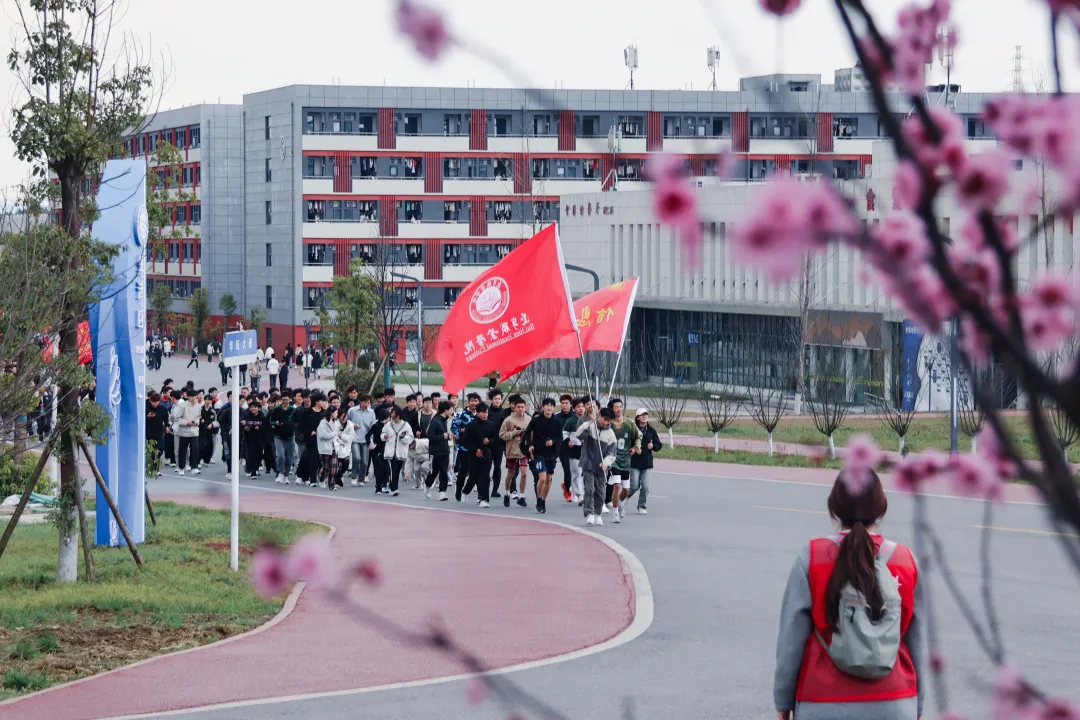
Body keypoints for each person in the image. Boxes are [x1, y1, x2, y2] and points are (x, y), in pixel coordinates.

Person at [773, 471, 924, 720]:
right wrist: (917, 705)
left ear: (833, 507)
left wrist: (783, 699)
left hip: (822, 701)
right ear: (881, 508)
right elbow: (917, 640)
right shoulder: (906, 561)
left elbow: (791, 637)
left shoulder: (811, 557)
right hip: (895, 701)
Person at [573, 407, 617, 526]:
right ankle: (589, 513)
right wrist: (589, 425)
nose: (606, 422)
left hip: (601, 467)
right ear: (599, 415)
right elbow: (579, 436)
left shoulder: (611, 434)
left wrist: (606, 463)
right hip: (588, 463)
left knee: (600, 491)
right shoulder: (589, 425)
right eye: (604, 419)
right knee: (589, 489)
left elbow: (612, 453)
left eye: (609, 421)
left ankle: (598, 514)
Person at [521, 397, 562, 514]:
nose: (549, 408)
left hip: (551, 454)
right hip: (539, 453)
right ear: (543, 407)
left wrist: (553, 442)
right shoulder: (536, 420)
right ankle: (539, 499)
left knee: (548, 479)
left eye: (551, 406)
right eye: (546, 405)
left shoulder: (557, 422)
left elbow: (560, 438)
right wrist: (530, 445)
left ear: (554, 408)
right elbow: (527, 433)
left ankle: (543, 500)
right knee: (542, 478)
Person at [606, 397, 641, 522]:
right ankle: (615, 512)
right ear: (612, 409)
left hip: (626, 459)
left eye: (620, 406)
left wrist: (635, 447)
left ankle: (619, 503)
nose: (619, 409)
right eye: (616, 407)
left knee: (626, 489)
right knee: (616, 486)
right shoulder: (608, 423)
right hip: (613, 459)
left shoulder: (629, 423)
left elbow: (638, 437)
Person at [460, 401, 497, 508]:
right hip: (473, 455)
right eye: (482, 412)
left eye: (486, 412)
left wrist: (489, 441)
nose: (485, 414)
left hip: (487, 454)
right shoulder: (471, 425)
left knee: (485, 477)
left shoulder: (491, 425)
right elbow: (464, 441)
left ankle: (484, 499)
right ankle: (466, 491)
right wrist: (474, 449)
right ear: (477, 412)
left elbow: (495, 438)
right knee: (474, 476)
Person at [497, 394, 531, 508]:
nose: (520, 409)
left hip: (524, 451)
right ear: (514, 407)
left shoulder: (528, 419)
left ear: (525, 407)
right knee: (511, 474)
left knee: (524, 474)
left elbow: (532, 434)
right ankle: (507, 493)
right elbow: (501, 435)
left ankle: (521, 496)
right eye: (518, 407)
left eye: (522, 407)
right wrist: (513, 433)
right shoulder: (508, 420)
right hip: (512, 450)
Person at [628, 408, 662, 515]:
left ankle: (641, 505)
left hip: (647, 463)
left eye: (646, 414)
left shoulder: (651, 431)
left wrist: (653, 447)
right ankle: (623, 498)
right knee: (634, 486)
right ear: (637, 417)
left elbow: (659, 445)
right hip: (634, 462)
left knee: (645, 486)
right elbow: (627, 443)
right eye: (642, 415)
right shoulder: (633, 430)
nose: (644, 416)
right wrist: (634, 449)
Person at [380, 405, 413, 496]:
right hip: (390, 452)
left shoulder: (406, 425)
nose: (392, 415)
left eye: (394, 413)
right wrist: (384, 437)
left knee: (397, 471)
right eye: (392, 413)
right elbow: (382, 434)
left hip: (401, 452)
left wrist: (403, 437)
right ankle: (394, 489)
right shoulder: (388, 425)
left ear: (399, 415)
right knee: (393, 470)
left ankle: (392, 487)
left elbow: (410, 438)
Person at [425, 400, 454, 501]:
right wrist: (443, 436)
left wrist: (448, 436)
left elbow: (445, 434)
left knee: (444, 472)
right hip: (435, 452)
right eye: (450, 409)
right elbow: (430, 436)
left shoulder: (445, 420)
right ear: (445, 410)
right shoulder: (435, 421)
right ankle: (427, 485)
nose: (452, 411)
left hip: (445, 450)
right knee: (434, 472)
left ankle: (442, 492)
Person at [563, 396, 589, 504]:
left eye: (583, 406)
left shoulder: (589, 420)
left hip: (587, 450)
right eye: (578, 407)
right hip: (574, 450)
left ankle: (573, 489)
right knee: (577, 472)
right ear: (574, 408)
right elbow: (565, 433)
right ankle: (581, 495)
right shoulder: (570, 421)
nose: (581, 409)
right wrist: (568, 441)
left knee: (584, 473)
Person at [348, 394, 375, 486]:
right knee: (357, 458)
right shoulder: (352, 410)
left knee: (364, 461)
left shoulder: (371, 412)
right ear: (361, 401)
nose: (367, 404)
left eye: (368, 402)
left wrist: (372, 427)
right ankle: (354, 476)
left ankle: (361, 478)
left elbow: (373, 424)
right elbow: (346, 421)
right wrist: (352, 425)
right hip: (355, 438)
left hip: (365, 439)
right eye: (365, 402)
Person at [173, 390, 202, 475]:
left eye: (196, 397)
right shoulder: (183, 406)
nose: (195, 398)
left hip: (194, 431)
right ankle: (181, 468)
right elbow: (177, 419)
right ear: (188, 397)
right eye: (193, 397)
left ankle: (194, 467)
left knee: (195, 449)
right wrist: (187, 423)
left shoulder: (198, 406)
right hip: (184, 432)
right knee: (183, 450)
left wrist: (197, 422)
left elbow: (199, 417)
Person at [486, 389, 507, 499]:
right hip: (488, 444)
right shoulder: (487, 412)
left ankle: (495, 490)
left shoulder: (504, 413)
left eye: (499, 399)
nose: (497, 401)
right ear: (491, 400)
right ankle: (484, 489)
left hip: (499, 444)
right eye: (495, 399)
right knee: (487, 467)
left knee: (497, 467)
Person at [270, 394, 295, 484]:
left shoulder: (293, 410)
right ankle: (280, 472)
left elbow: (296, 421)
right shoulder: (277, 409)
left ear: (290, 400)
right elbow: (271, 420)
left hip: (290, 437)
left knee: (289, 457)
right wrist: (276, 423)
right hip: (278, 436)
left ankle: (286, 475)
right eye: (283, 399)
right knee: (280, 456)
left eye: (286, 399)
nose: (285, 401)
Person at [241, 398, 266, 479]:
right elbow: (243, 423)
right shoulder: (247, 414)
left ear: (258, 408)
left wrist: (258, 427)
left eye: (255, 407)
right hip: (249, 438)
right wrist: (245, 427)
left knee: (259, 454)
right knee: (251, 454)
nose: (253, 408)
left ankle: (256, 467)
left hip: (259, 438)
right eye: (251, 407)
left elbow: (264, 425)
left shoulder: (261, 415)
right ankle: (253, 471)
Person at [145, 391, 169, 476]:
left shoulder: (162, 409)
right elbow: (141, 420)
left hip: (159, 433)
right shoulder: (146, 408)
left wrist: (167, 426)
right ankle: (152, 469)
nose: (155, 403)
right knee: (151, 453)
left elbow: (166, 420)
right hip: (148, 434)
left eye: (156, 402)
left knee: (160, 450)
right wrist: (147, 417)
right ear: (150, 401)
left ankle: (156, 468)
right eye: (153, 402)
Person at [556, 394, 574, 502]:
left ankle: (567, 485)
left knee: (577, 471)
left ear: (571, 404)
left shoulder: (576, 416)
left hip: (576, 447)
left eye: (566, 403)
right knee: (567, 469)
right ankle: (567, 490)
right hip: (563, 448)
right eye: (562, 403)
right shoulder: (557, 417)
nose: (564, 405)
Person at [316, 407, 340, 490]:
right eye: (336, 412)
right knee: (326, 467)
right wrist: (334, 433)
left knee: (334, 467)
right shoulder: (323, 422)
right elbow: (322, 435)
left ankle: (332, 485)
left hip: (334, 447)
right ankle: (321, 478)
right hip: (325, 448)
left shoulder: (336, 422)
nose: (337, 414)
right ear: (331, 413)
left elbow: (336, 434)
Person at [368, 408, 390, 493]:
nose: (389, 419)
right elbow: (368, 436)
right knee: (378, 469)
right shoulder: (375, 426)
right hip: (376, 451)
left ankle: (385, 485)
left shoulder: (389, 425)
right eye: (388, 417)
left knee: (387, 469)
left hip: (386, 450)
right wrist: (370, 444)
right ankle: (378, 488)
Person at [333, 410, 356, 489]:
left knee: (345, 465)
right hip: (336, 447)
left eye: (346, 416)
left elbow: (351, 437)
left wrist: (342, 436)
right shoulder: (335, 423)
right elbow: (333, 435)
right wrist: (339, 440)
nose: (344, 418)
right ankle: (336, 481)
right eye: (342, 416)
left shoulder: (350, 424)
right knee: (336, 466)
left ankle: (339, 477)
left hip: (346, 447)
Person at [199, 393, 220, 467]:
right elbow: (196, 418)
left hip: (210, 431)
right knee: (201, 445)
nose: (208, 401)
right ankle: (200, 459)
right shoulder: (200, 409)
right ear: (204, 400)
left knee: (210, 445)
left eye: (210, 400)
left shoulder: (213, 411)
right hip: (201, 430)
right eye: (207, 400)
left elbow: (217, 421)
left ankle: (207, 460)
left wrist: (212, 424)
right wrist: (200, 421)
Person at [217, 391, 233, 473]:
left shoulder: (239, 408)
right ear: (228, 398)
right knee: (226, 448)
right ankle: (225, 459)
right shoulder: (224, 408)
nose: (233, 399)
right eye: (231, 397)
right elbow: (219, 419)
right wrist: (227, 428)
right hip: (226, 432)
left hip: (236, 433)